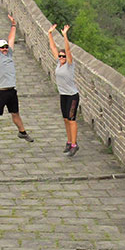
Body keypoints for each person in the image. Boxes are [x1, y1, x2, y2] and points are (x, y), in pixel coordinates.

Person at [0, 12, 34, 153]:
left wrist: (14, 25)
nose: (4, 49)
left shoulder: (9, 53)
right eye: (2, 47)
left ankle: (22, 132)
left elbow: (11, 39)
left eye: (5, 47)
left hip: (11, 91)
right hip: (0, 92)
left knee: (15, 113)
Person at [48, 24, 79, 156]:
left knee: (72, 119)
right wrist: (50, 33)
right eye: (60, 56)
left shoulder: (69, 65)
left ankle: (74, 144)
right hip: (63, 95)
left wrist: (65, 35)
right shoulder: (59, 64)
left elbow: (67, 49)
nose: (61, 58)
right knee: (66, 119)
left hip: (72, 96)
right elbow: (53, 47)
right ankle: (68, 141)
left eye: (63, 56)